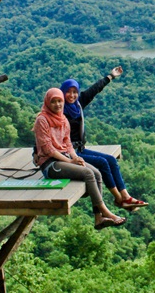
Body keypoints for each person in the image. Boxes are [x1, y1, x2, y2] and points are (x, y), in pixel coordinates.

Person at [34, 87, 126, 229]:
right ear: (47, 102)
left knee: (96, 173)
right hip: (50, 164)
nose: (57, 105)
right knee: (88, 173)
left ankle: (98, 218)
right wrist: (70, 161)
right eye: (53, 101)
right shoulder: (42, 120)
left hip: (64, 158)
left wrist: (76, 158)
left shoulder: (63, 119)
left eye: (60, 101)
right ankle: (105, 211)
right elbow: (48, 149)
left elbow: (68, 144)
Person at [61, 66, 148, 211]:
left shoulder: (78, 104)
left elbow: (94, 90)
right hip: (70, 153)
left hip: (81, 149)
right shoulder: (60, 109)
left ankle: (125, 196)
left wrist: (111, 76)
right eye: (68, 92)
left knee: (111, 160)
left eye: (74, 92)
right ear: (62, 93)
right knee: (102, 163)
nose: (71, 95)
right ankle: (119, 199)